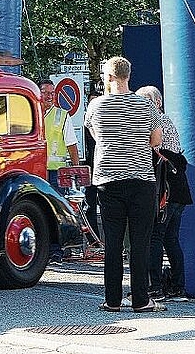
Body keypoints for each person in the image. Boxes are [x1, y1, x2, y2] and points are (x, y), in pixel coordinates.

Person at [85, 57, 164, 313]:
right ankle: (141, 300)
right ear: (128, 76)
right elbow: (155, 141)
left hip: (108, 180)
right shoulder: (146, 105)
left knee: (113, 243)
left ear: (108, 77)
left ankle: (112, 300)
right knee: (140, 242)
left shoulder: (95, 106)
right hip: (141, 180)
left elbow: (96, 137)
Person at [136, 85, 193, 302]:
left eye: (144, 102)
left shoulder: (155, 123)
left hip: (165, 190)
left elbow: (152, 152)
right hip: (178, 189)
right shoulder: (167, 121)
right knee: (171, 238)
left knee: (155, 237)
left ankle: (155, 287)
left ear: (156, 102)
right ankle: (178, 288)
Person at [39, 79, 80, 191]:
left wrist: (76, 172)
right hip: (35, 171)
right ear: (38, 94)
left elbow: (72, 146)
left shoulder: (62, 115)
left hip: (56, 173)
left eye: (52, 93)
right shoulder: (30, 113)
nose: (49, 96)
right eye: (45, 92)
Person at [83, 90, 102, 243]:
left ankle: (107, 240)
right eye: (91, 101)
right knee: (89, 205)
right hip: (89, 169)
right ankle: (93, 239)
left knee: (106, 204)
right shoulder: (83, 122)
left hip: (103, 168)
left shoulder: (105, 120)